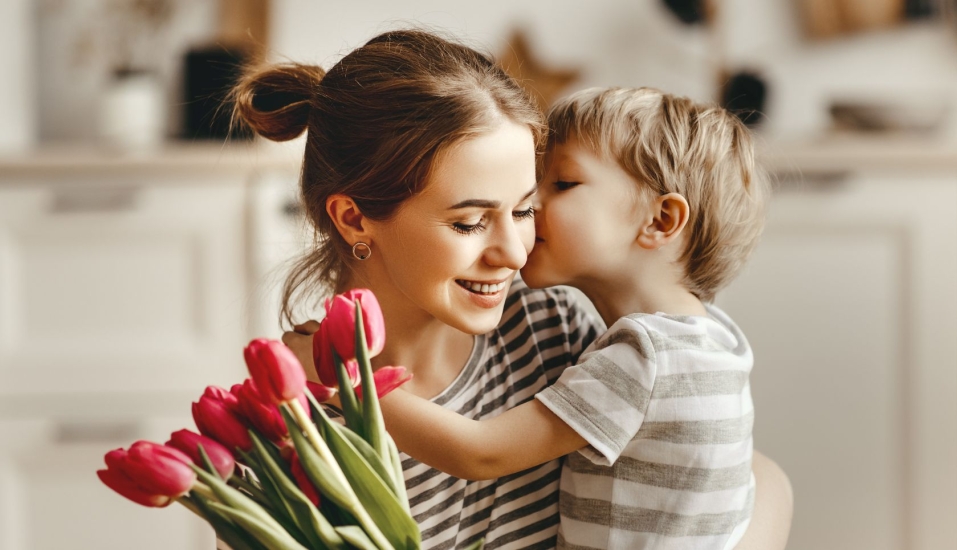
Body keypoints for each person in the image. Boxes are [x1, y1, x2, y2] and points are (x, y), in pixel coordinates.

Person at [238, 29, 790, 550]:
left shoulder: (556, 333)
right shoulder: (293, 429)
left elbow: (750, 476)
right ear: (355, 219)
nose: (516, 251)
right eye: (470, 222)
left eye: (525, 209)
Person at [376, 86, 768, 549]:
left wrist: (341, 379)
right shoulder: (715, 339)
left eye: (561, 184)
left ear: (661, 220)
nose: (530, 203)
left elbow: (481, 452)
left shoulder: (645, 360)